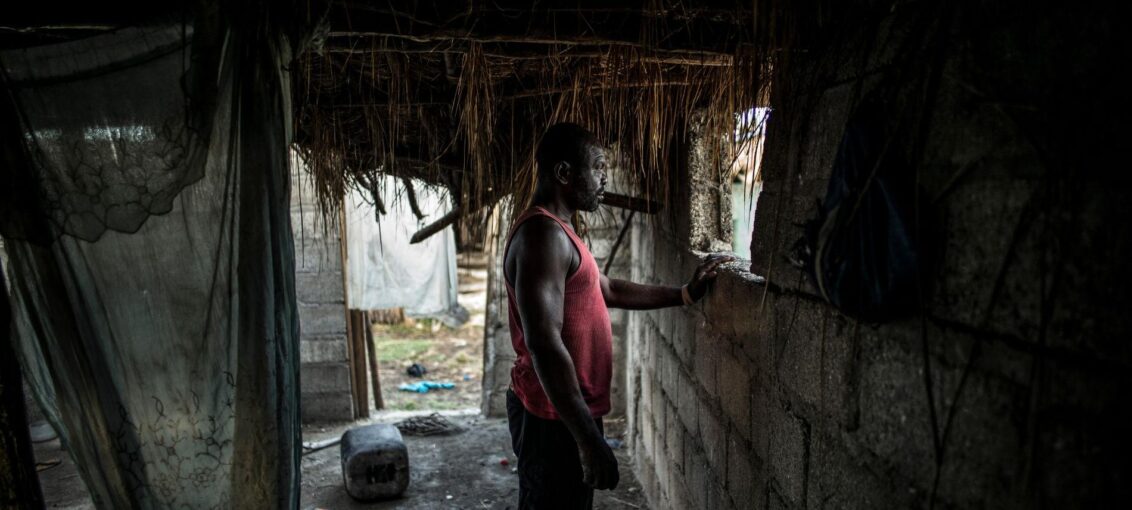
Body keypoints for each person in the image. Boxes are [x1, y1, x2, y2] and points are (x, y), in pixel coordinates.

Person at [504, 122, 733, 508]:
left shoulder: (561, 230)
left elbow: (605, 288)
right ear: (563, 173)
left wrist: (684, 294)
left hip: (564, 411)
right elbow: (544, 344)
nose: (604, 178)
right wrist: (589, 441)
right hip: (552, 416)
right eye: (597, 166)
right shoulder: (542, 235)